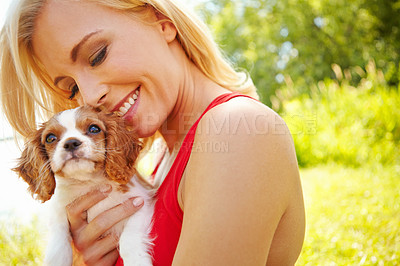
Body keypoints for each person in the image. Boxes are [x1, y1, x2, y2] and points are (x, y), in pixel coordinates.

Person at [0, 0, 305, 265]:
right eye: (73, 89)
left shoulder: (237, 131)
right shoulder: (163, 161)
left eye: (98, 55)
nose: (90, 98)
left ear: (161, 21)